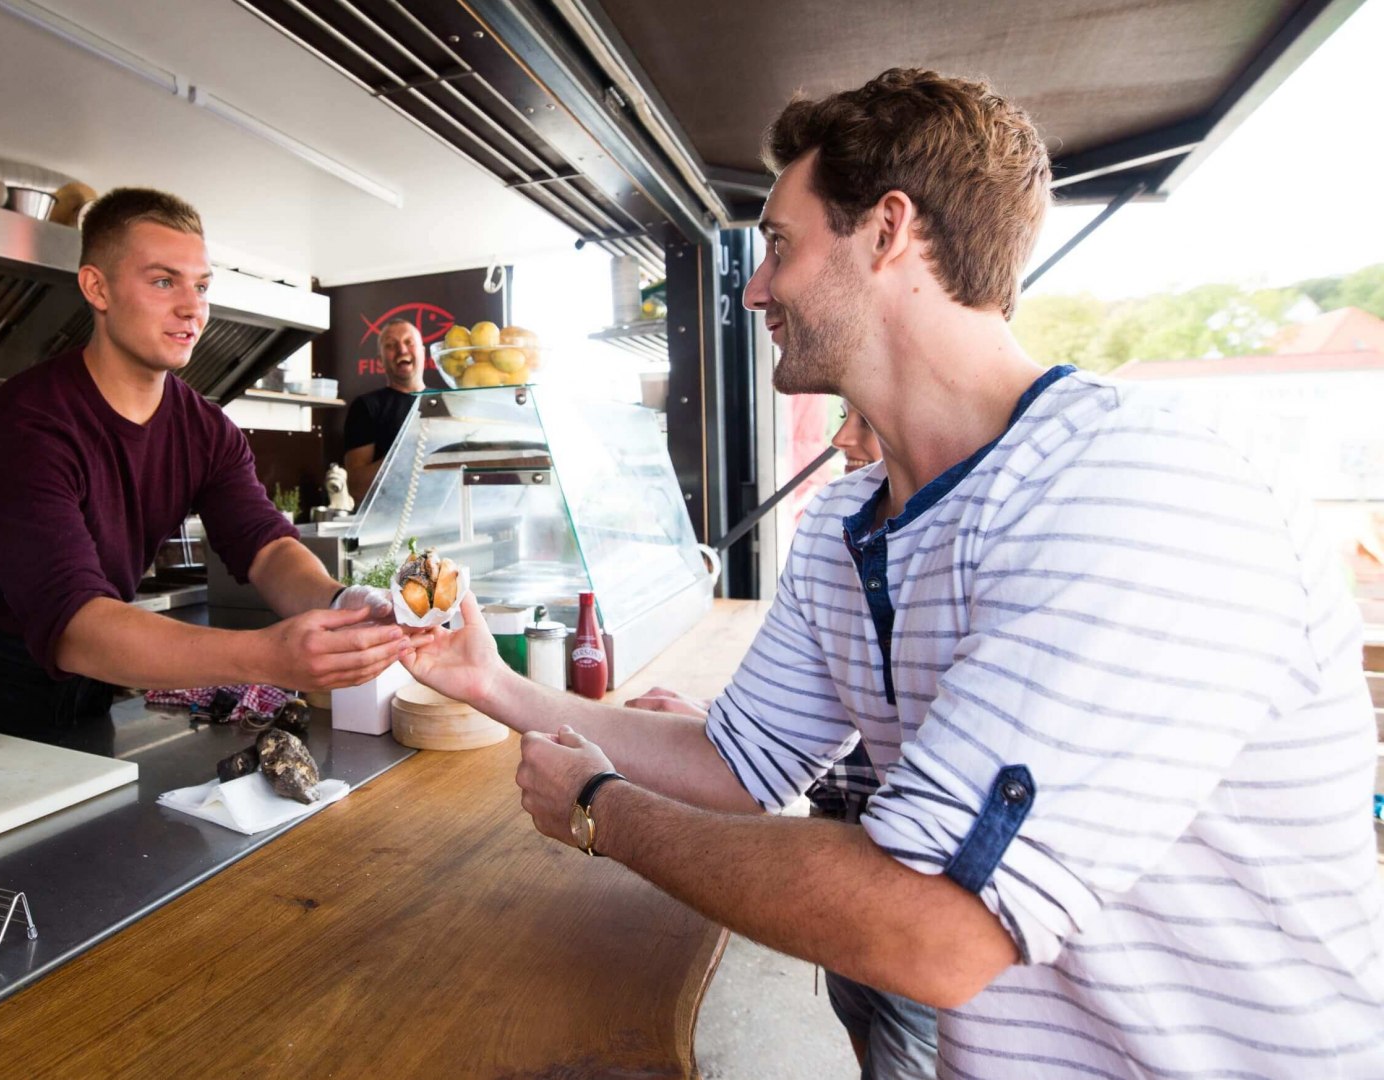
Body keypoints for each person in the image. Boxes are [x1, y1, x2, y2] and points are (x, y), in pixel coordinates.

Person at [406, 68, 1383, 1078]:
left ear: (888, 231)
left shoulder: (1130, 491)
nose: (751, 287)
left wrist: (602, 807)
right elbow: (739, 768)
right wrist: (495, 686)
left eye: (778, 245)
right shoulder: (845, 524)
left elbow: (930, 927)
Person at [0, 188, 404, 753]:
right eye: (163, 281)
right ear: (97, 287)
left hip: (86, 696)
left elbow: (265, 545)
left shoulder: (206, 428)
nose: (192, 308)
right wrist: (269, 656)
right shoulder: (28, 426)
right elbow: (75, 625)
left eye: (201, 286)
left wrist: (340, 603)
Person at [633, 401, 936, 1080]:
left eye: (867, 420)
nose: (842, 438)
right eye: (844, 415)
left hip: (908, 907)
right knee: (860, 1018)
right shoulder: (854, 525)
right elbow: (851, 714)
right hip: (852, 860)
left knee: (909, 1047)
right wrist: (736, 721)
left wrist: (604, 805)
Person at [340, 319, 426, 502]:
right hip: (387, 525)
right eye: (391, 345)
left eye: (409, 342)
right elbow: (357, 487)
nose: (402, 350)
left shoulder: (446, 401)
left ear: (423, 352)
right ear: (380, 361)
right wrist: (409, 451)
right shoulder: (366, 407)